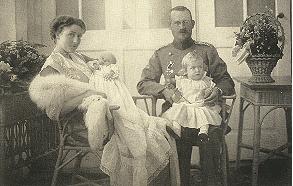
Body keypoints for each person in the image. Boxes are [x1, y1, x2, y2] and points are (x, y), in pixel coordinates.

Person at [137, 6, 235, 186]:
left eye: (186, 22)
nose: (182, 26)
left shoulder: (207, 51)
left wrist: (217, 91)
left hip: (206, 115)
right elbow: (143, 84)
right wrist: (164, 90)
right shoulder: (162, 53)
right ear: (170, 26)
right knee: (176, 137)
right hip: (178, 117)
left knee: (211, 138)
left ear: (193, 24)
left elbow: (226, 81)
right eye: (177, 23)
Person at [88, 52, 180, 186]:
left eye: (105, 60)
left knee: (148, 129)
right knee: (140, 137)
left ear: (110, 63)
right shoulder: (94, 69)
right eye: (101, 58)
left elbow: (114, 72)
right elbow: (143, 84)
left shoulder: (111, 70)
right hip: (105, 107)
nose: (101, 60)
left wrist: (108, 71)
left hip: (118, 100)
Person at [29, 15, 112, 154]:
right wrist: (89, 94)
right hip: (79, 126)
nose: (76, 40)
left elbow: (105, 67)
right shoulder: (51, 67)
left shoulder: (78, 57)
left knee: (141, 129)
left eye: (79, 36)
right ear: (57, 35)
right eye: (71, 35)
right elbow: (54, 113)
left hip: (103, 112)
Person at [162, 51, 223, 143]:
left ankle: (203, 133)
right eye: (193, 68)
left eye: (200, 67)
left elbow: (211, 91)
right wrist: (175, 92)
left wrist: (209, 91)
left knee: (204, 117)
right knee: (177, 114)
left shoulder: (206, 81)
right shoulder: (182, 81)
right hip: (186, 106)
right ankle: (176, 131)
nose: (198, 70)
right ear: (186, 71)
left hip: (200, 106)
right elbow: (176, 99)